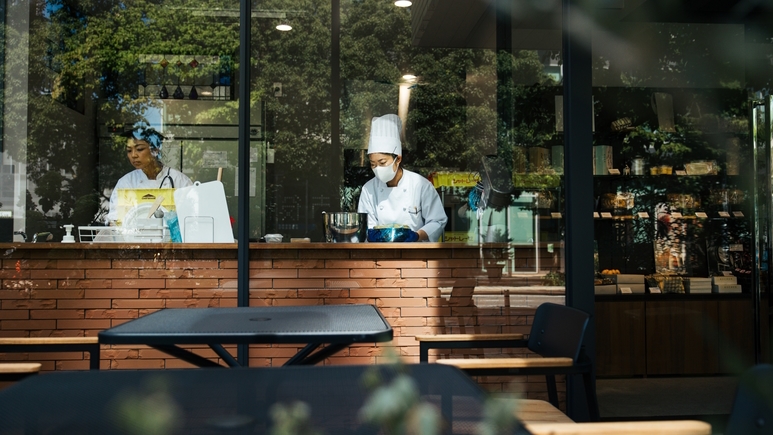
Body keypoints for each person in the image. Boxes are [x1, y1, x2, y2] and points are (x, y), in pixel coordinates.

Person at [357, 114, 447, 242]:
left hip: (416, 255)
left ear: (398, 159)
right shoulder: (369, 189)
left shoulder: (420, 185)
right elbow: (367, 226)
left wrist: (416, 235)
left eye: (382, 163)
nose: (377, 168)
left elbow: (438, 220)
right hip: (381, 254)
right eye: (373, 164)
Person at [106, 125, 193, 225]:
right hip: (134, 240)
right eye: (129, 151)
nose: (133, 155)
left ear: (155, 150)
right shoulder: (126, 183)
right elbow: (115, 221)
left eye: (139, 149)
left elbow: (191, 219)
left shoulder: (180, 181)